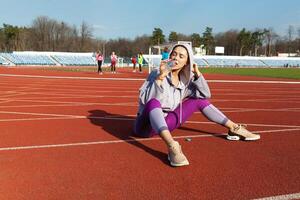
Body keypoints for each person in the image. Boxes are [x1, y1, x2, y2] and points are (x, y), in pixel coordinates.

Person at [133, 43, 260, 167]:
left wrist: (198, 74)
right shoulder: (157, 73)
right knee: (154, 102)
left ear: (187, 63)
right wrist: (160, 78)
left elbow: (205, 95)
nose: (176, 58)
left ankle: (233, 128)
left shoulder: (186, 80)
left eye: (181, 56)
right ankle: (173, 146)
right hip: (145, 126)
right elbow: (147, 101)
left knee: (198, 100)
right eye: (174, 54)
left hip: (166, 123)